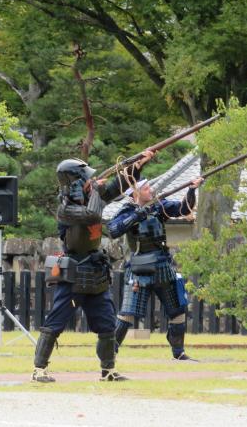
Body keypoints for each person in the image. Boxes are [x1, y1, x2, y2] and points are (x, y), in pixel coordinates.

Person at [32, 151, 154, 383]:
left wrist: (137, 167)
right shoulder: (66, 208)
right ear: (75, 183)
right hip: (74, 271)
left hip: (95, 271)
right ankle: (39, 369)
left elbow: (117, 187)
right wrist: (96, 190)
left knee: (107, 324)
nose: (91, 182)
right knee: (56, 322)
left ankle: (108, 370)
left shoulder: (92, 196)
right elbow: (92, 214)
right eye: (86, 179)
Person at [108, 178, 202, 360]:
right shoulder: (127, 211)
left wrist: (191, 191)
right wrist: (136, 216)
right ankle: (109, 352)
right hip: (139, 268)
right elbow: (113, 230)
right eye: (146, 188)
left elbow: (184, 209)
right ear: (135, 193)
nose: (150, 190)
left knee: (178, 310)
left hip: (163, 265)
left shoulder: (159, 206)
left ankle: (179, 353)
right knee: (127, 313)